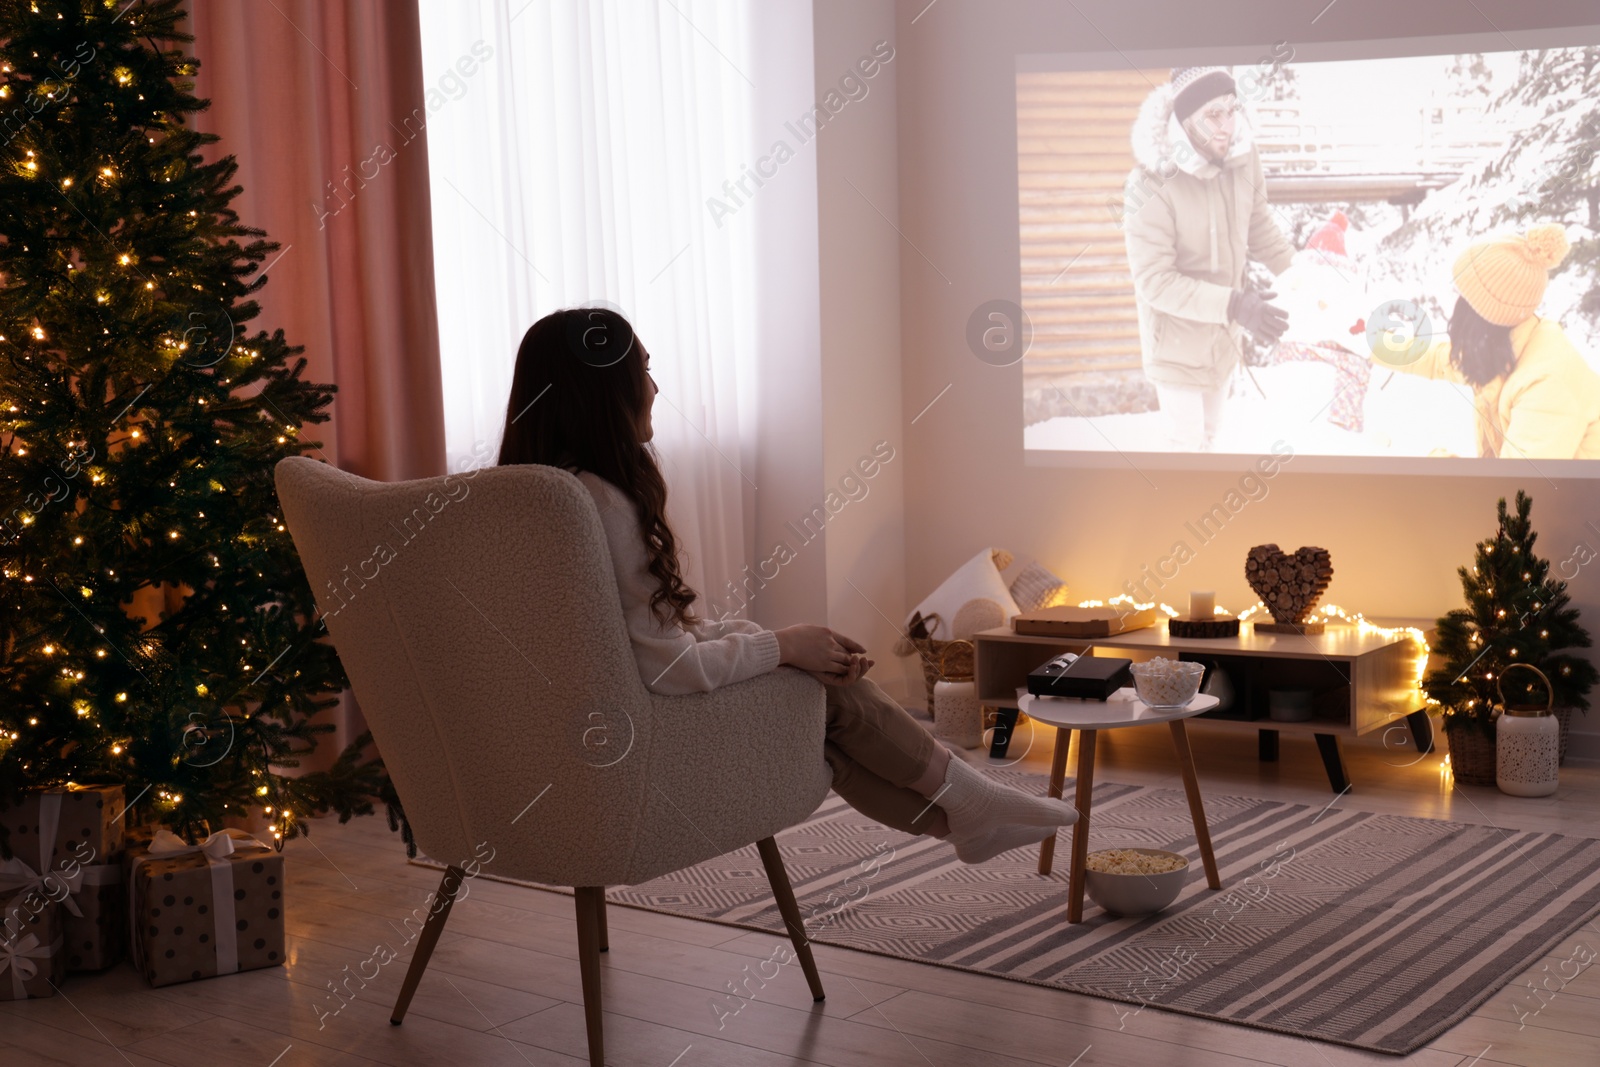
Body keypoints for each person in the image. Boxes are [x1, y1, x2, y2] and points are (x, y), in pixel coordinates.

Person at [496, 307, 1076, 863]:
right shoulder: (602, 501)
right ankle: (969, 799)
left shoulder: (524, 501)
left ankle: (960, 822)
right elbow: (671, 670)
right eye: (642, 370)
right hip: (645, 745)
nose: (653, 388)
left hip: (556, 747)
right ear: (600, 391)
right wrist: (786, 649)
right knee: (819, 693)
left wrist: (779, 640)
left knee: (813, 722)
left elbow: (635, 640)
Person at [1124, 66, 1298, 450]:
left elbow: (1259, 224)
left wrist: (1301, 276)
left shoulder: (1242, 158)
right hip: (1175, 345)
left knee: (1210, 440)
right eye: (1213, 115)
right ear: (1185, 122)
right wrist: (1234, 304)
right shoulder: (1149, 184)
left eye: (1232, 110)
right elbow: (1155, 282)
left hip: (1222, 341)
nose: (1227, 126)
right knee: (1186, 447)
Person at [1375, 223, 1600, 459]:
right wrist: (1365, 342)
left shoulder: (1546, 382)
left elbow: (1522, 490)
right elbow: (1436, 358)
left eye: (1464, 296)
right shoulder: (1503, 348)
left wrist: (1445, 470)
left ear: (1483, 314)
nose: (1456, 305)